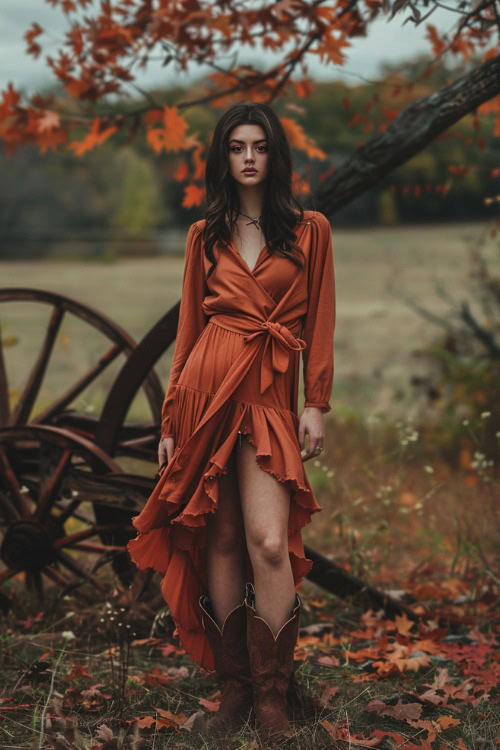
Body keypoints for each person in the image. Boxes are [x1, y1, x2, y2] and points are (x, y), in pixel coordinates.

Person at [127, 101, 336, 741]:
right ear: (224, 156)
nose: (249, 157)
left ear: (276, 155)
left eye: (260, 146)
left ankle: (273, 697)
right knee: (217, 540)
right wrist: (169, 418)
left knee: (267, 542)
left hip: (269, 396)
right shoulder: (204, 236)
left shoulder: (309, 231)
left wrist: (315, 402)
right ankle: (235, 694)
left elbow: (319, 323)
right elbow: (189, 331)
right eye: (238, 147)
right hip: (205, 397)